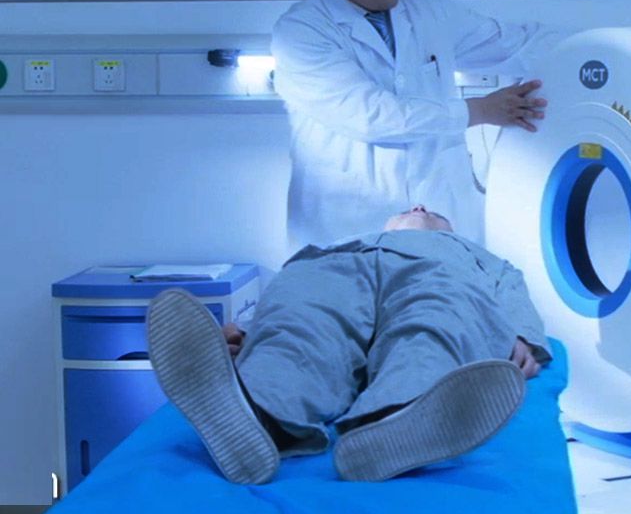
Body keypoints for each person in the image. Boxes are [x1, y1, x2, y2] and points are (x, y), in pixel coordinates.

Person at [146, 206, 551, 485]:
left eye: (432, 211)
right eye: (410, 206)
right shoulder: (336, 243)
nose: (419, 206)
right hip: (334, 268)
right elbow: (287, 307)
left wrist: (523, 336)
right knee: (298, 331)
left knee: (435, 325)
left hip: (438, 271)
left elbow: (513, 294)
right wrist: (250, 333)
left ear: (451, 231)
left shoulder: (475, 255)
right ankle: (255, 414)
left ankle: (397, 419)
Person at [272, 0, 559, 249]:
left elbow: (511, 43)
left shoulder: (427, 8)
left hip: (441, 224)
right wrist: (480, 110)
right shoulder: (302, 32)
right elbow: (372, 116)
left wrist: (599, 49)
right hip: (348, 231)